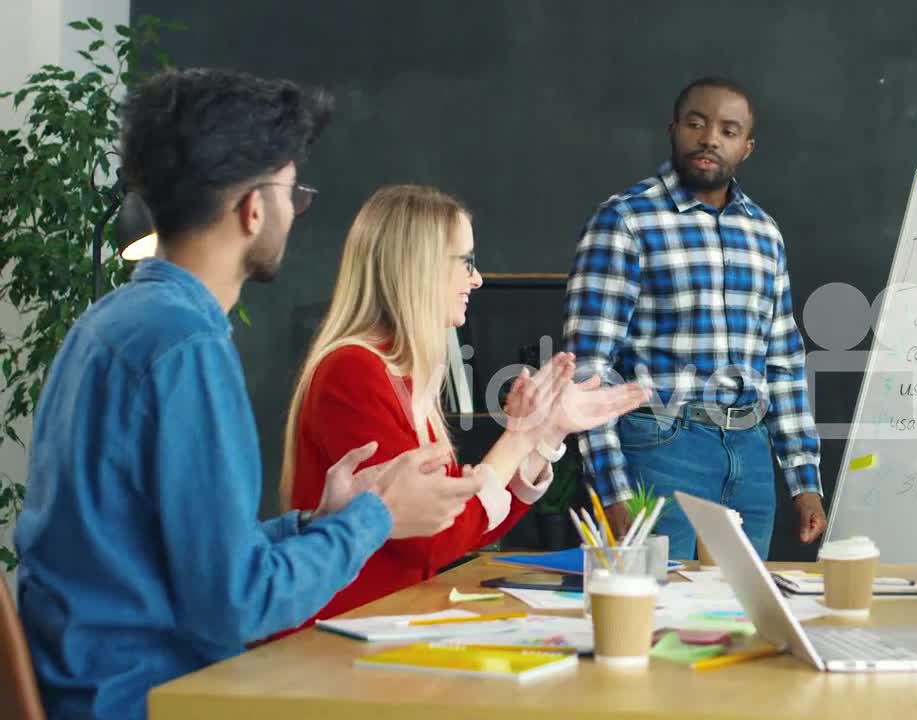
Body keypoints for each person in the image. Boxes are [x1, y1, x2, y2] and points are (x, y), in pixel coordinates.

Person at [16, 69, 480, 719]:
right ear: (254, 209)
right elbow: (238, 603)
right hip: (148, 699)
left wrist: (318, 523)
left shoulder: (112, 323)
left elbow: (175, 555)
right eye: (295, 195)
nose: (293, 214)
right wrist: (374, 520)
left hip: (90, 685)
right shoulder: (186, 348)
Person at [277, 185, 648, 630]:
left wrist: (547, 434)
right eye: (466, 262)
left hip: (383, 628)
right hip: (339, 642)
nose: (477, 279)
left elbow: (470, 527)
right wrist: (519, 437)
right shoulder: (353, 371)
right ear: (420, 265)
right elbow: (434, 539)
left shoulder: (399, 372)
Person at [563, 76, 825, 560]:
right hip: (661, 449)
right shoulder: (625, 220)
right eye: (696, 124)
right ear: (674, 129)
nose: (709, 139)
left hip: (750, 453)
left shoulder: (765, 233)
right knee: (659, 617)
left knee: (739, 623)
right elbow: (588, 368)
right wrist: (612, 490)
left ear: (746, 147)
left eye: (728, 131)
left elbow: (784, 362)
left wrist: (804, 480)